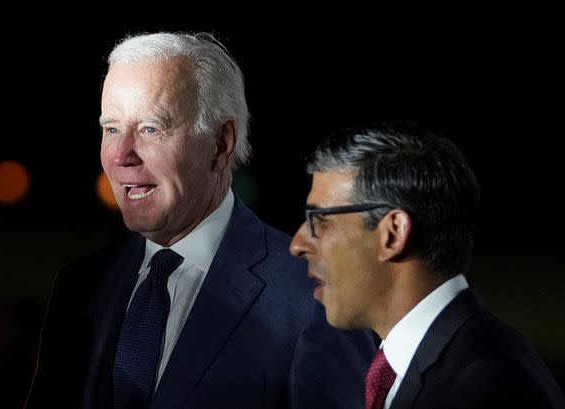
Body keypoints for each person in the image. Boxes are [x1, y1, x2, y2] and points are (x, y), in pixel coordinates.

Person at [24, 32, 374, 409]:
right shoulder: (79, 288)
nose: (122, 155)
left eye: (150, 129)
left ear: (221, 144)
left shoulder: (315, 300)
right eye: (111, 129)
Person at [290, 125, 565, 409]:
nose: (296, 244)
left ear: (393, 233)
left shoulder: (484, 387)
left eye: (321, 219)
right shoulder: (421, 364)